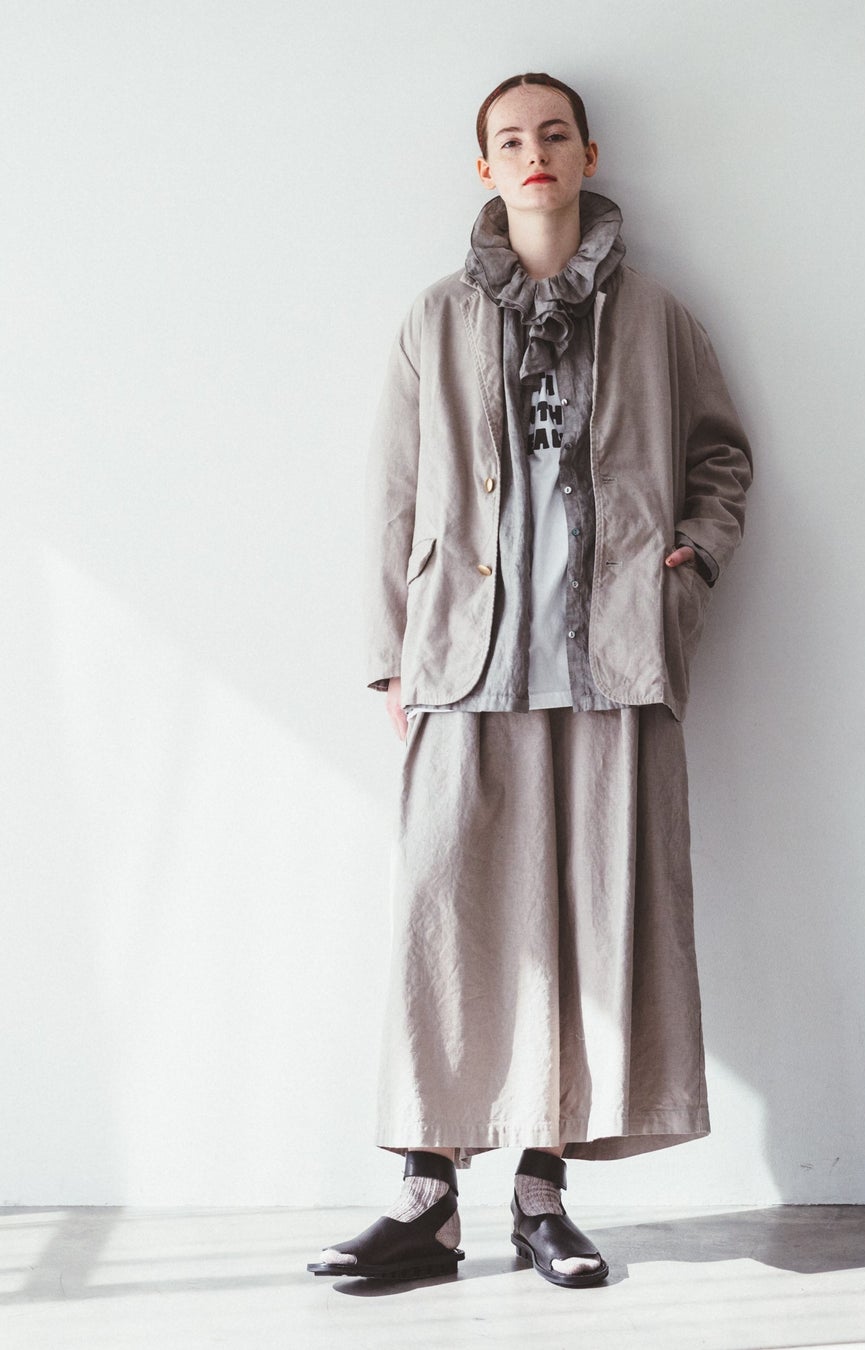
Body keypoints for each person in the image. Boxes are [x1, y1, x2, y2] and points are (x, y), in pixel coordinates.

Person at [308, 72, 752, 1290]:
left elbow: (721, 456)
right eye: (509, 139)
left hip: (611, 661)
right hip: (466, 658)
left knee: (585, 927)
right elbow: (393, 492)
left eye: (553, 133)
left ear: (586, 153)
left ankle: (541, 1199)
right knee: (442, 928)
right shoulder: (435, 319)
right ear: (485, 169)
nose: (533, 152)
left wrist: (690, 560)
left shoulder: (655, 316)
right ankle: (426, 1200)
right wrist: (388, 655)